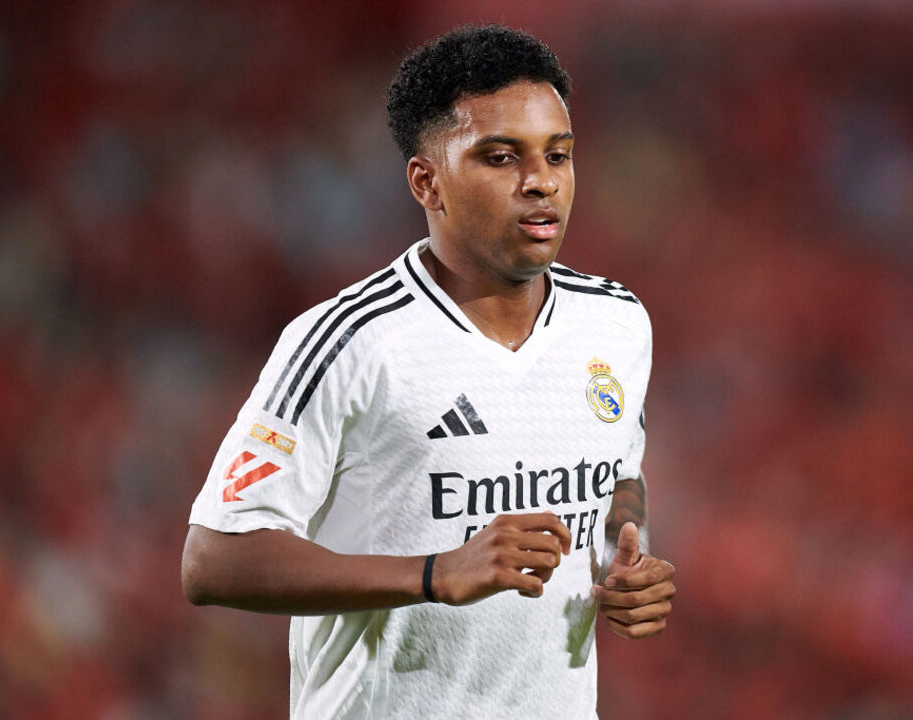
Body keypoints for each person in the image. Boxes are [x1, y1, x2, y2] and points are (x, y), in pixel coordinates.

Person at [181, 24, 675, 719]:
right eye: (500, 157)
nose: (541, 181)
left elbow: (619, 474)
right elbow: (214, 561)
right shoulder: (351, 341)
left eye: (557, 155)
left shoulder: (616, 322)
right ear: (427, 182)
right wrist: (436, 573)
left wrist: (627, 558)